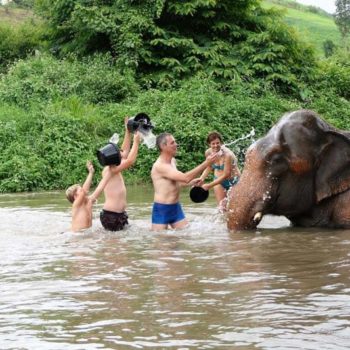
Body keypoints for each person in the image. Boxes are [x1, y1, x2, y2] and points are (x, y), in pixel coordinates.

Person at [151, 132, 218, 231]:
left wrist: (192, 183)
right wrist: (206, 163)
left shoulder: (172, 161)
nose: (176, 145)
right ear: (163, 146)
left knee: (185, 238)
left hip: (176, 208)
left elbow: (178, 182)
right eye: (172, 143)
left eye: (175, 142)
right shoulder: (160, 166)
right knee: (162, 243)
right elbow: (185, 178)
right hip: (162, 210)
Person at [100, 125, 141, 231]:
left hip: (118, 214)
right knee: (116, 246)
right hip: (111, 215)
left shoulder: (113, 167)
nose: (121, 153)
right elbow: (130, 160)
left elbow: (125, 152)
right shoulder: (111, 170)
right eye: (119, 152)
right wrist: (136, 142)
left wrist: (127, 132)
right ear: (114, 157)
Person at [195, 131, 241, 209]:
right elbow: (209, 167)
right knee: (222, 207)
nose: (216, 145)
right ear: (209, 144)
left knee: (235, 208)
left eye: (218, 143)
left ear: (221, 143)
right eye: (213, 143)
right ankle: (221, 221)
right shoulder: (208, 153)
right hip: (218, 182)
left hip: (234, 181)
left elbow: (227, 174)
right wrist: (201, 178)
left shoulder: (227, 155)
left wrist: (209, 185)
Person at [66, 161, 112, 232]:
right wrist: (90, 173)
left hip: (87, 234)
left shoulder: (89, 201)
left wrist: (110, 172)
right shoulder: (77, 205)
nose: (82, 189)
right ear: (75, 196)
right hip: (77, 236)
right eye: (80, 189)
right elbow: (85, 190)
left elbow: (100, 188)